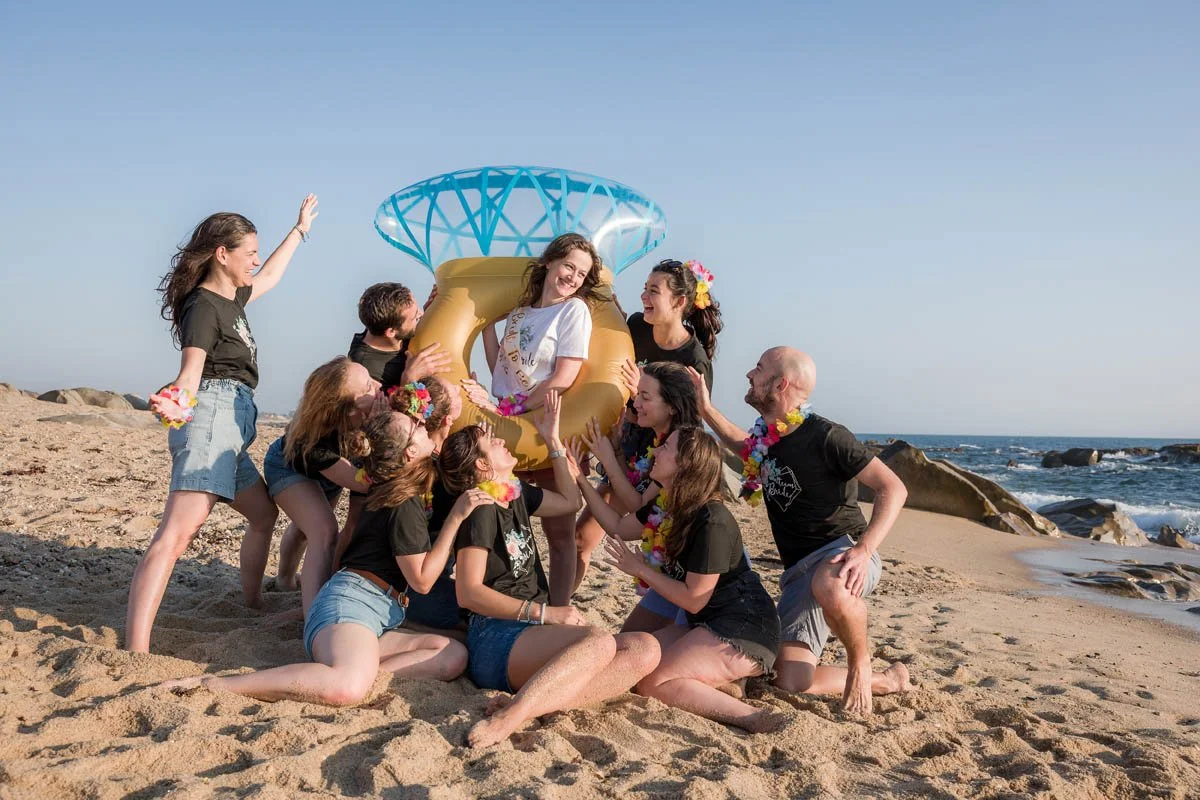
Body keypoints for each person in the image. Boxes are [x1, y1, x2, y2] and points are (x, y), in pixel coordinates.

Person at [159, 404, 489, 704]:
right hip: (350, 607)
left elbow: (446, 456)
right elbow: (422, 580)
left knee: (452, 656)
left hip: (380, 614)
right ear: (410, 452)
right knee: (345, 688)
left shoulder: (406, 483)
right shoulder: (402, 500)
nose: (422, 422)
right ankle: (220, 685)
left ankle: (358, 669)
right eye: (417, 425)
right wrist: (457, 518)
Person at [125, 196, 317, 653]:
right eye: (248, 251)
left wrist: (300, 230)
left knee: (263, 513)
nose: (255, 258)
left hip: (232, 429)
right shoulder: (204, 307)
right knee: (177, 533)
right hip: (210, 420)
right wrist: (176, 399)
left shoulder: (234, 297)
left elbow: (270, 275)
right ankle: (135, 648)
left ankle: (250, 602)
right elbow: (191, 372)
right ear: (222, 254)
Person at [690, 347, 912, 715]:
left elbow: (894, 488)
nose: (749, 374)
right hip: (797, 573)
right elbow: (743, 447)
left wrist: (864, 549)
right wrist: (706, 409)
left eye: (758, 369)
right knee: (789, 680)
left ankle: (861, 662)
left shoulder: (827, 436)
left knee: (829, 585)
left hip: (843, 552)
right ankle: (889, 680)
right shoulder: (768, 438)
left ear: (781, 383)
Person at [439, 392, 661, 748]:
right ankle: (511, 717)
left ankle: (526, 704)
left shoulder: (514, 492)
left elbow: (570, 502)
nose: (500, 439)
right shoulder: (480, 507)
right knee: (598, 641)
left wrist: (553, 441)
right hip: (498, 637)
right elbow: (468, 592)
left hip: (532, 632)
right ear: (482, 467)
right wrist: (545, 613)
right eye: (490, 442)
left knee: (645, 648)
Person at [574, 427, 784, 732]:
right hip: (703, 623)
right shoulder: (667, 504)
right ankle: (722, 684)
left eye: (666, 448)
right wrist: (580, 479)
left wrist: (641, 569)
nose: (655, 452)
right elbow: (618, 525)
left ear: (686, 463)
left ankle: (751, 716)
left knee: (653, 683)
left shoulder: (713, 520)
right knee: (630, 657)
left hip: (743, 630)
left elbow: (694, 598)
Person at [461, 232, 608, 605]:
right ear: (549, 262)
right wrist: (487, 326)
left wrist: (512, 410)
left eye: (581, 273)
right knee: (502, 524)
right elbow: (500, 370)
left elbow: (563, 377)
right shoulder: (520, 313)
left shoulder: (573, 311)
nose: (573, 277)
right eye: (568, 266)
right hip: (505, 429)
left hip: (544, 428)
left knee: (559, 535)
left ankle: (559, 609)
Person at [573, 362, 701, 629]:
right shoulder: (660, 442)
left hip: (701, 579)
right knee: (628, 638)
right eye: (636, 395)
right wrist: (607, 460)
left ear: (672, 407)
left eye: (644, 397)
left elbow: (637, 505)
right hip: (671, 573)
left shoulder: (682, 451)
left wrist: (608, 459)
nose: (635, 404)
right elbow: (624, 522)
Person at [264, 356, 380, 612]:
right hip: (288, 466)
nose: (377, 386)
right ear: (348, 409)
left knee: (305, 529)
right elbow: (362, 484)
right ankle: (313, 614)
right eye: (369, 387)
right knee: (324, 531)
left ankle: (285, 579)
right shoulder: (315, 441)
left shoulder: (360, 410)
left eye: (370, 378)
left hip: (331, 473)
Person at [347, 282, 450, 391]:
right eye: (415, 317)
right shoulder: (366, 371)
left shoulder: (388, 324)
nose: (421, 314)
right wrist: (409, 379)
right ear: (391, 332)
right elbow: (385, 408)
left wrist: (429, 315)